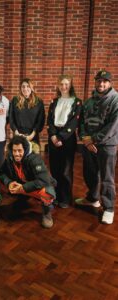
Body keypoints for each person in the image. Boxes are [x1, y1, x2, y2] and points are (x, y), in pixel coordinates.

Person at [76, 70, 118, 225]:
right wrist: (85, 140)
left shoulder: (115, 100)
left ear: (110, 83)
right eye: (99, 81)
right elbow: (82, 123)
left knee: (107, 178)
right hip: (89, 145)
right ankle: (93, 198)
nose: (101, 84)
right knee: (90, 173)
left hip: (106, 146)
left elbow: (113, 127)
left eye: (104, 81)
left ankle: (108, 208)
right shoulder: (89, 101)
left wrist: (92, 140)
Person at [0, 135, 56, 228]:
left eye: (19, 151)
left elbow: (43, 180)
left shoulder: (34, 159)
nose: (16, 154)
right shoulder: (9, 158)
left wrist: (23, 188)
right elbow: (1, 173)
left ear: (25, 150)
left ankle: (46, 212)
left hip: (37, 185)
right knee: (5, 185)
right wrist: (9, 183)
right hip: (22, 184)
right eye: (14, 150)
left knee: (47, 193)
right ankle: (22, 199)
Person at [47, 75, 82, 208]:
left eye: (66, 84)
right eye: (61, 84)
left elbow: (74, 123)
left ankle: (66, 198)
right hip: (54, 138)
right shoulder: (54, 101)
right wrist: (53, 136)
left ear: (71, 85)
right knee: (55, 169)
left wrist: (60, 137)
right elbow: (50, 121)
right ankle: (56, 195)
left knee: (66, 170)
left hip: (67, 139)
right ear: (58, 85)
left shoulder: (77, 102)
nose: (64, 86)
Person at [9, 78, 45, 145]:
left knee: (33, 155)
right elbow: (11, 119)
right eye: (23, 86)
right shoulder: (15, 100)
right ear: (20, 88)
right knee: (18, 155)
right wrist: (17, 133)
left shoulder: (39, 102)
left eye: (28, 86)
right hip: (18, 135)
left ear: (31, 88)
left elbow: (40, 120)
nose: (25, 89)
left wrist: (32, 135)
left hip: (33, 136)